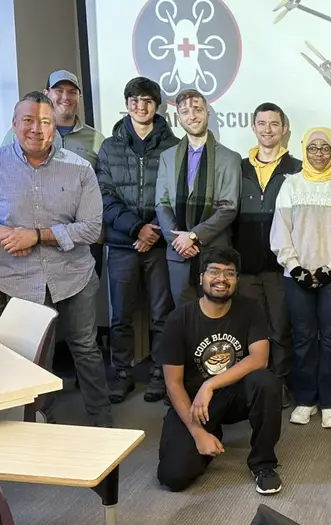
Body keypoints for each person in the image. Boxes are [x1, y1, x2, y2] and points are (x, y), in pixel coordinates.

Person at [0, 92, 111, 426]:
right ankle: (33, 424)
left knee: (86, 350)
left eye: (45, 121)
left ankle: (103, 424)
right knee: (32, 356)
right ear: (15, 124)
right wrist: (7, 235)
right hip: (16, 278)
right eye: (29, 120)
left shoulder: (78, 170)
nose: (37, 129)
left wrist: (36, 235)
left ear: (54, 127)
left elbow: (92, 229)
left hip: (72, 277)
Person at [154, 247, 282, 494]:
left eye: (229, 273)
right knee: (173, 477)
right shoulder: (179, 319)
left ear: (236, 280)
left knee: (267, 382)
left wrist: (209, 384)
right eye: (214, 271)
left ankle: (263, 464)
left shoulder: (250, 308)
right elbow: (173, 384)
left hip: (234, 395)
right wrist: (196, 431)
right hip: (195, 405)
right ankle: (209, 435)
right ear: (200, 277)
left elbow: (260, 359)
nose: (221, 279)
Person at [270, 127, 331, 429]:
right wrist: (295, 267)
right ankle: (306, 399)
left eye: (325, 148)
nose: (319, 153)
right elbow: (280, 231)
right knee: (303, 339)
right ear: (304, 151)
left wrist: (329, 268)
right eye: (313, 148)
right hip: (297, 276)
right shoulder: (291, 185)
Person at [96, 77, 178, 404]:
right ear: (127, 103)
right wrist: (136, 229)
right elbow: (105, 195)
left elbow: (175, 195)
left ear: (157, 106)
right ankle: (121, 373)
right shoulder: (109, 146)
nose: (140, 106)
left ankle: (160, 374)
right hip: (121, 244)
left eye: (147, 101)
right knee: (120, 316)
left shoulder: (174, 146)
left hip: (159, 244)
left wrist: (153, 229)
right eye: (134, 100)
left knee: (162, 314)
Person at [2, 70, 106, 278]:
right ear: (47, 93)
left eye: (71, 92)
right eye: (59, 90)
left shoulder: (96, 139)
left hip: (75, 252)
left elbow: (102, 186)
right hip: (19, 263)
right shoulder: (15, 140)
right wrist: (10, 235)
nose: (65, 97)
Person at [234, 103, 301, 409]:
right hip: (245, 265)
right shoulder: (238, 168)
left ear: (284, 129)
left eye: (274, 124)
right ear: (253, 127)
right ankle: (254, 386)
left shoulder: (297, 169)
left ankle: (281, 384)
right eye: (262, 123)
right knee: (251, 329)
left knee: (280, 328)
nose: (268, 130)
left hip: (281, 267)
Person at [156, 89, 241, 306]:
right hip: (178, 253)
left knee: (216, 316)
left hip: (215, 252)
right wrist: (179, 240)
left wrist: (193, 236)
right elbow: (162, 203)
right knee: (183, 318)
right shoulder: (167, 157)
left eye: (197, 110)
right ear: (179, 118)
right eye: (185, 112)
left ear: (207, 114)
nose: (192, 116)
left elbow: (228, 207)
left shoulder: (230, 158)